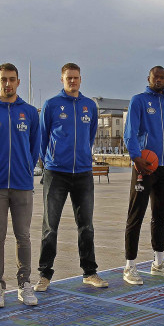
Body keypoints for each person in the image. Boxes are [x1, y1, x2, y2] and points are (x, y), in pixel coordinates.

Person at [34, 63, 108, 292]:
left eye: (76, 78)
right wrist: (49, 163)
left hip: (83, 173)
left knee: (86, 226)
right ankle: (45, 274)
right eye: (69, 78)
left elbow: (90, 135)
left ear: (81, 79)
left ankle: (89, 272)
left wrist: (83, 156)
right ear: (62, 80)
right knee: (50, 226)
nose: (73, 81)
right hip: (56, 173)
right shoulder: (52, 105)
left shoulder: (89, 106)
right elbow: (42, 138)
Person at [0, 63, 41, 307]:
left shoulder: (28, 112)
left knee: (23, 236)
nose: (7, 83)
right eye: (3, 79)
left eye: (12, 79)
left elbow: (35, 144)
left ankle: (24, 284)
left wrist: (28, 168)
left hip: (21, 183)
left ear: (18, 82)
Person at [122, 66, 164, 285]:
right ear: (148, 78)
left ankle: (158, 261)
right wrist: (136, 157)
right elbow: (130, 132)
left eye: (163, 77)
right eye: (156, 77)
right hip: (145, 165)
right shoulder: (138, 101)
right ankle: (130, 266)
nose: (159, 80)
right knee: (136, 215)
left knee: (161, 216)